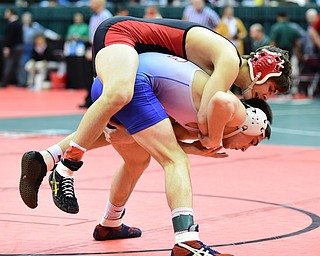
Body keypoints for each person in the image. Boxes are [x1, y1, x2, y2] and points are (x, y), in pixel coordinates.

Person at [20, 52, 273, 255]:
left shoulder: (206, 121)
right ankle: (187, 240)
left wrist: (198, 146)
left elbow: (160, 138)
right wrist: (213, 140)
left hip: (118, 82)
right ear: (254, 124)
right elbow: (222, 102)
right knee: (176, 161)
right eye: (253, 142)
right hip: (136, 83)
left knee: (137, 159)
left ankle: (106, 220)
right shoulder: (236, 110)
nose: (244, 148)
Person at [78, 0, 113, 108]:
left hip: (101, 49)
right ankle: (90, 99)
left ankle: (100, 100)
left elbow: (106, 35)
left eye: (92, 2)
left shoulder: (105, 15)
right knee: (88, 75)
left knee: (99, 76)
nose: (90, 4)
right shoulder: (93, 17)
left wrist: (96, 50)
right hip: (92, 48)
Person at [0, 8, 23, 88]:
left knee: (9, 64)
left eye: (7, 12)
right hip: (19, 47)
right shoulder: (19, 23)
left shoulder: (12, 24)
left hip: (13, 47)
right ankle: (20, 81)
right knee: (17, 65)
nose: (5, 14)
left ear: (11, 13)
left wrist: (7, 47)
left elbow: (10, 37)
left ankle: (5, 82)